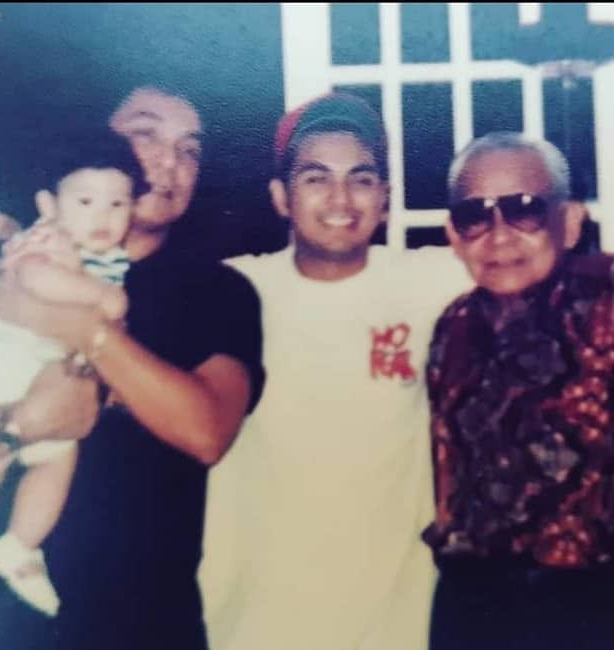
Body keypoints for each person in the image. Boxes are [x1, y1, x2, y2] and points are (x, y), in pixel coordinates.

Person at [0, 86, 264, 650]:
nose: (169, 161)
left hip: (143, 626)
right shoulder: (2, 264)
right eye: (146, 134)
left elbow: (206, 431)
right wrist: (15, 425)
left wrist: (81, 331)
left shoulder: (216, 292)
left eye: (190, 149)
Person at [199, 93, 471, 650]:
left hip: (392, 625)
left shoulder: (430, 280)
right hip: (255, 620)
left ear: (385, 198)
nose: (340, 199)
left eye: (361, 179)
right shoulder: (232, 289)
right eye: (316, 178)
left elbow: (542, 262)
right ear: (281, 197)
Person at [423, 132, 613, 649]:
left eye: (525, 210)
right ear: (454, 235)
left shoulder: (606, 304)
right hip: (473, 605)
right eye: (475, 216)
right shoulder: (453, 328)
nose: (499, 236)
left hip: (592, 606)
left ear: (569, 223)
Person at [0, 130, 147, 627]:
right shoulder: (49, 238)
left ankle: (20, 545)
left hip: (31, 374)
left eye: (117, 203)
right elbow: (32, 277)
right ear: (49, 205)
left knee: (48, 459)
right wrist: (97, 296)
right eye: (86, 201)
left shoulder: (105, 256)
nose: (103, 216)